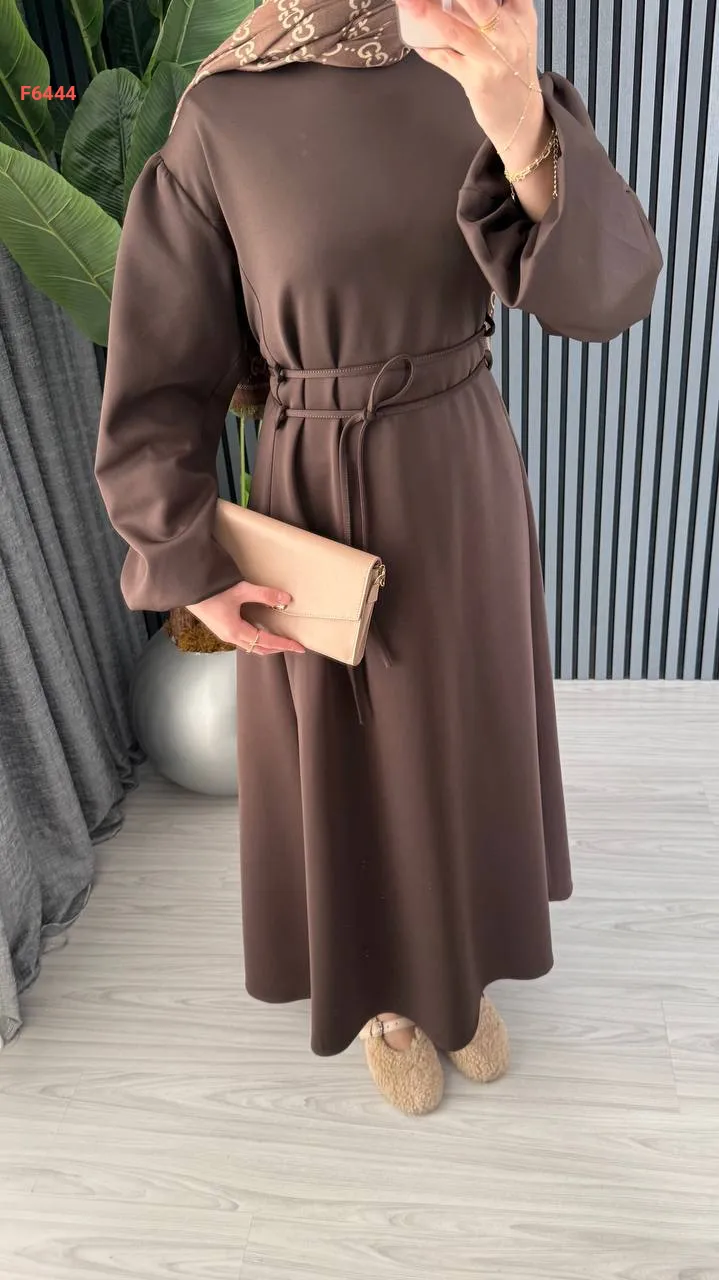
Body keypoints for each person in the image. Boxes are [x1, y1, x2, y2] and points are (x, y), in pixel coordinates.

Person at [94, 0, 663, 1116]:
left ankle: (458, 974)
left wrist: (520, 120)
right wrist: (188, 557)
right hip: (319, 495)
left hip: (461, 469)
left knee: (465, 735)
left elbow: (605, 298)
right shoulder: (224, 113)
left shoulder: (473, 63)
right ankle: (387, 1002)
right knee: (357, 763)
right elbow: (159, 377)